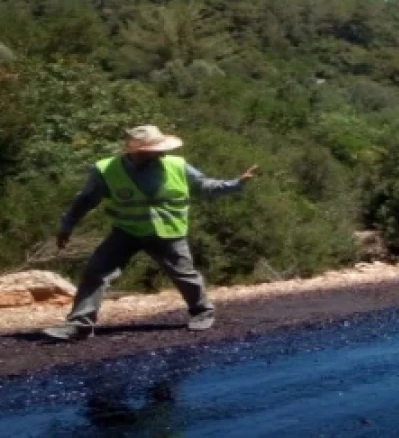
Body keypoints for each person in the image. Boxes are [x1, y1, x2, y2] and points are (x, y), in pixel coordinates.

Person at [42, 125, 258, 341]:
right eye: (157, 149)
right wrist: (67, 224)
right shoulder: (106, 170)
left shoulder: (176, 165)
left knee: (183, 273)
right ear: (138, 151)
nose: (163, 152)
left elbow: (203, 185)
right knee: (96, 272)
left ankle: (202, 311)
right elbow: (85, 200)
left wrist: (235, 184)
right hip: (126, 230)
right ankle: (79, 325)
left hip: (167, 231)